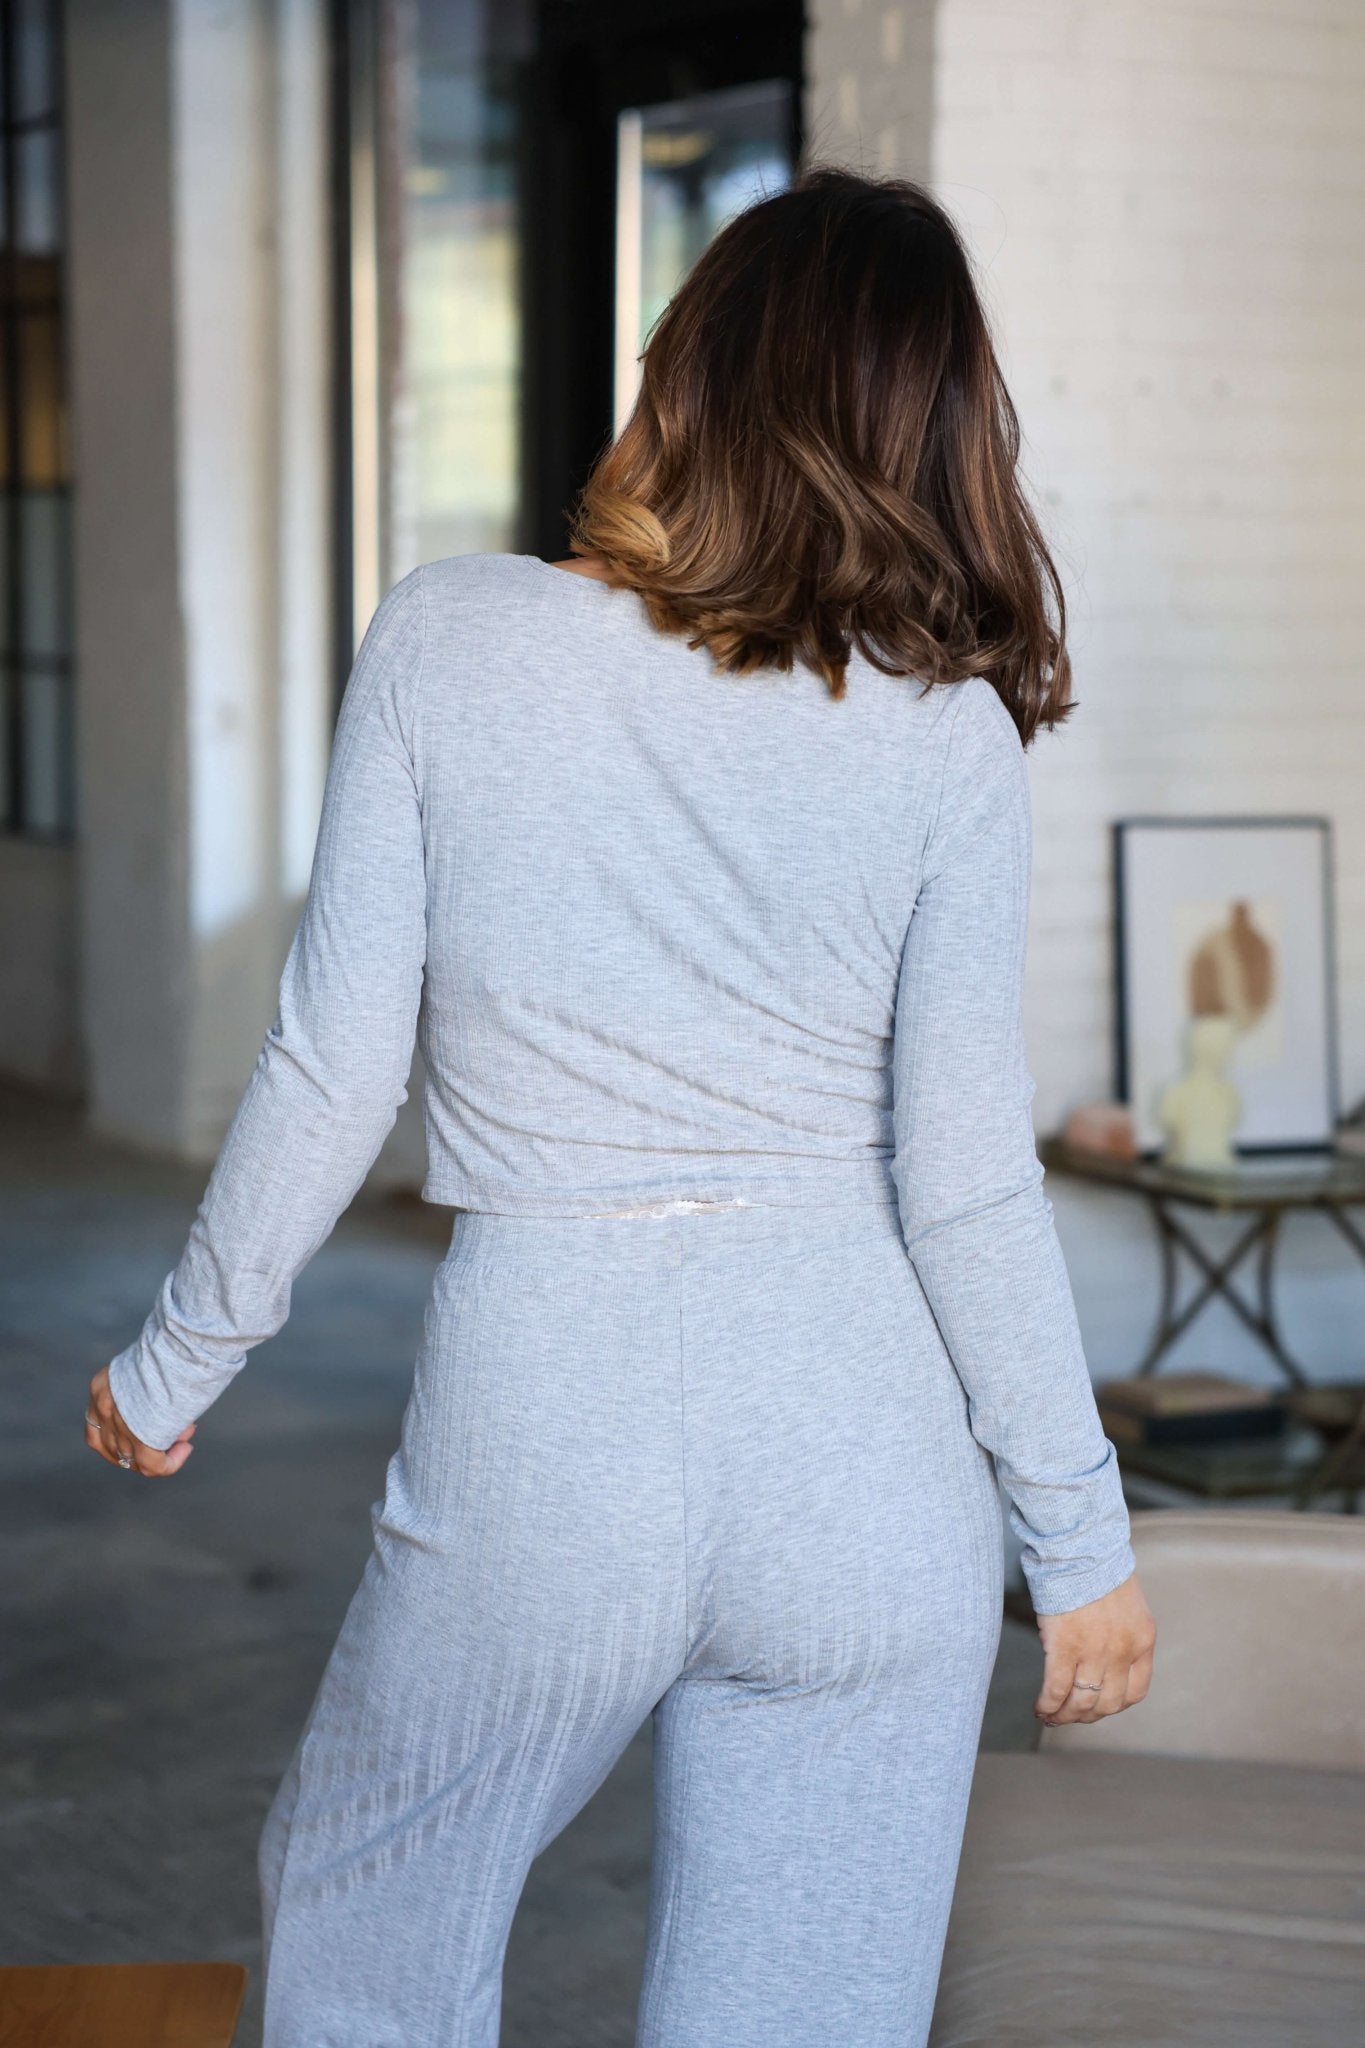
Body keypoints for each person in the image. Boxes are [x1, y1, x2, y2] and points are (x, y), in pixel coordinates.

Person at [85, 166, 1155, 2047]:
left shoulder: (451, 639)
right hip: (867, 1466)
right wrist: (1080, 1549)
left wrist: (177, 1366)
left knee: (368, 1922)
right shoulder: (950, 735)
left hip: (549, 1417)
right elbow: (965, 1181)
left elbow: (336, 1063)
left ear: (694, 371)